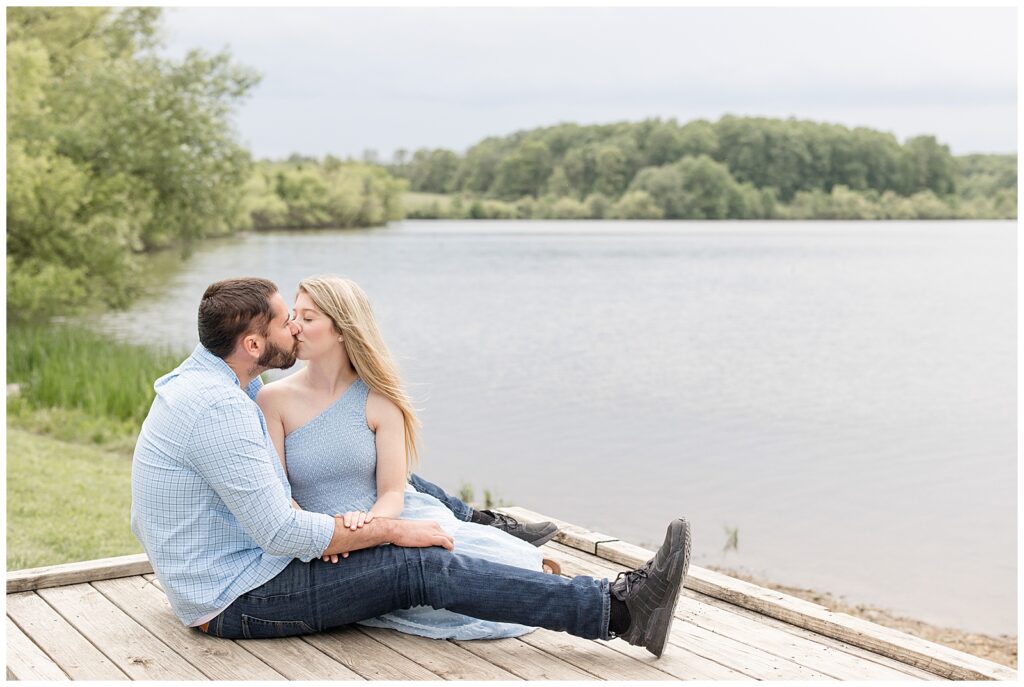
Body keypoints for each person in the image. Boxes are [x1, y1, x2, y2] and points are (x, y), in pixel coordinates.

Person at [130, 277, 692, 657]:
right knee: (416, 564)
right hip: (235, 599)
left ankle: (491, 529)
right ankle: (620, 612)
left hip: (226, 577)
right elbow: (280, 532)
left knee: (394, 506)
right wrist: (389, 529)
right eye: (284, 323)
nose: (294, 331)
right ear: (253, 343)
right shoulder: (221, 409)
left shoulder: (207, 383)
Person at [256, 275, 558, 640]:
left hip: (388, 521)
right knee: (430, 596)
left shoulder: (379, 399)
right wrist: (323, 538)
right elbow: (277, 491)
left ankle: (540, 575)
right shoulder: (272, 400)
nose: (294, 327)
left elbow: (393, 494)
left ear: (341, 329)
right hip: (318, 539)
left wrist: (368, 528)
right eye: (294, 315)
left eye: (309, 318)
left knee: (485, 562)